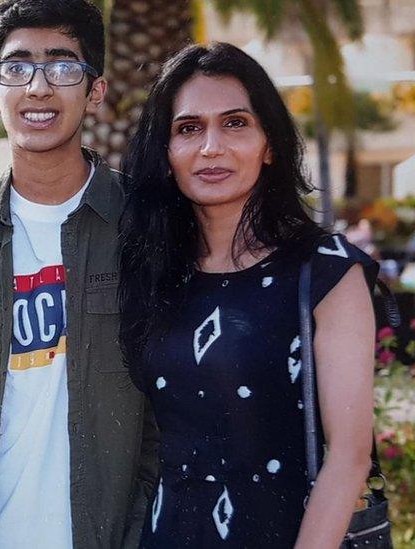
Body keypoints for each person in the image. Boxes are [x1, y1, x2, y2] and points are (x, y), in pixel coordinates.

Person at [0, 1, 159, 547]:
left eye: (63, 66)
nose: (39, 87)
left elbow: (166, 418)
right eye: (17, 68)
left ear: (95, 91)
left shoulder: (147, 228)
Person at [119, 42, 377, 547]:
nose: (210, 147)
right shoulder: (151, 272)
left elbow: (349, 459)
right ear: (166, 153)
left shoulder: (324, 272)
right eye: (188, 128)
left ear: (270, 143)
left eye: (235, 123)